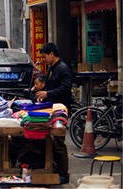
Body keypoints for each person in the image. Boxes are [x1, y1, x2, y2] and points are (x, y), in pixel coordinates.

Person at [35, 43, 72, 185]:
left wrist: (48, 93)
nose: (44, 59)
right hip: (52, 107)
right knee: (51, 139)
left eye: (45, 56)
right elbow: (49, 85)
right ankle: (54, 168)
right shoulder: (51, 68)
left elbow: (65, 88)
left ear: (51, 54)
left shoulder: (63, 69)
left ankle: (64, 173)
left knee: (58, 140)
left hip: (61, 110)